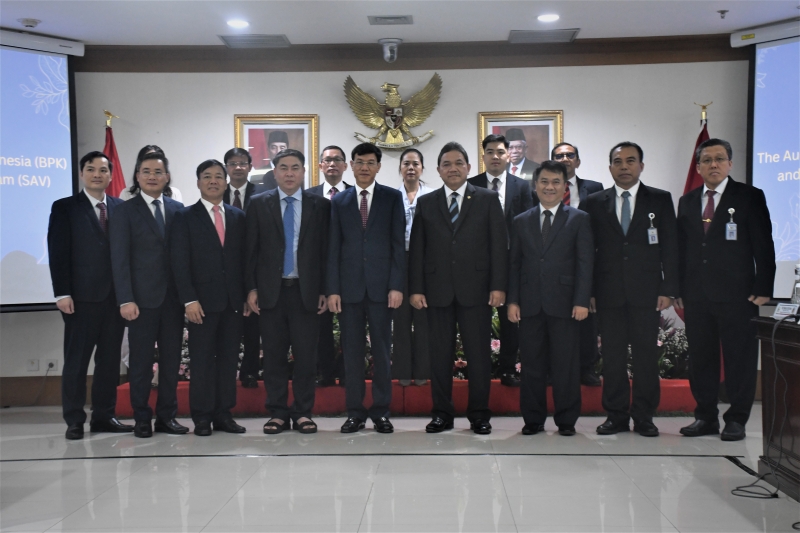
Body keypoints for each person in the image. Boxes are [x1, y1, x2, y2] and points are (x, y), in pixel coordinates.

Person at [676, 138, 775, 441]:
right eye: (707, 160)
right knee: (701, 359)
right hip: (697, 295)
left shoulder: (749, 196)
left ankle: (737, 419)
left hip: (739, 295)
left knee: (740, 358)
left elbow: (764, 244)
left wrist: (764, 285)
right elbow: (682, 250)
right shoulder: (688, 201)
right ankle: (705, 417)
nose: (713, 164)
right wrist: (677, 287)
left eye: (719, 159)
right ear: (698, 167)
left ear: (730, 164)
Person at [409, 142, 508, 435]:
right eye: (446, 164)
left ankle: (479, 415)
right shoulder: (427, 202)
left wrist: (498, 285)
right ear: (438, 170)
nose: (453, 169)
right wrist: (416, 288)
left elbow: (498, 245)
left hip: (476, 290)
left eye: (458, 163)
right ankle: (442, 414)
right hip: (436, 290)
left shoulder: (487, 199)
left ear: (468, 167)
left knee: (478, 356)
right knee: (439, 357)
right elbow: (417, 249)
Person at [583, 142, 679, 437]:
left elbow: (670, 247)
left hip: (647, 293)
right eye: (618, 161)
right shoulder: (594, 202)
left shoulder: (660, 199)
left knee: (645, 358)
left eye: (630, 161)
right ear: (610, 167)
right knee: (612, 358)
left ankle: (644, 416)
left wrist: (668, 288)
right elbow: (586, 252)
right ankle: (615, 416)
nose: (624, 166)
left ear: (641, 166)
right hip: (607, 293)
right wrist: (589, 292)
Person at [47, 151, 131, 440]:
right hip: (80, 300)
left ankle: (104, 416)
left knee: (108, 363)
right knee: (77, 362)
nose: (97, 174)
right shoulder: (65, 207)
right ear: (82, 173)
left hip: (115, 300)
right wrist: (62, 292)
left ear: (110, 175)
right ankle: (74, 420)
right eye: (91, 169)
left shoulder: (121, 207)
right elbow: (58, 252)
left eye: (103, 170)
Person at [246, 149, 330, 434]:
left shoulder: (320, 205)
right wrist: (252, 288)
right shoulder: (259, 204)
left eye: (295, 167)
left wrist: (325, 289)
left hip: (307, 293)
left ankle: (303, 412)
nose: (290, 173)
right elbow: (250, 250)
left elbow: (326, 252)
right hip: (271, 292)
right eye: (284, 168)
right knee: (273, 356)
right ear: (275, 172)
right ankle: (278, 413)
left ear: (304, 172)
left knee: (306, 357)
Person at [507, 160, 593, 436]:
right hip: (530, 304)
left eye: (556, 182)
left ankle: (566, 420)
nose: (549, 187)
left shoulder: (579, 219)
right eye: (544, 181)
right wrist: (513, 300)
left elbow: (585, 263)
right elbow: (514, 264)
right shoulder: (521, 221)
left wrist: (582, 300)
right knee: (531, 365)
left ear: (565, 187)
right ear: (535, 185)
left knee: (565, 365)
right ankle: (533, 420)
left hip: (566, 305)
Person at [327, 143, 405, 434]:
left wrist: (396, 285)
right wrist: (333, 289)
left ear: (378, 167)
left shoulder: (392, 198)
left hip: (382, 289)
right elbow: (333, 247)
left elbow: (398, 244)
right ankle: (355, 413)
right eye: (359, 162)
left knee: (382, 352)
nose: (364, 167)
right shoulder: (339, 201)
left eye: (370, 162)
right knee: (352, 354)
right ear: (351, 165)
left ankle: (381, 412)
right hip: (349, 290)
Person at [110, 152, 187, 438]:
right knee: (141, 363)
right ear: (137, 176)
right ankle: (142, 417)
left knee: (171, 362)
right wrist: (125, 298)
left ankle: (167, 417)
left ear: (167, 177)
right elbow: (119, 259)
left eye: (158, 172)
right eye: (146, 171)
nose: (152, 176)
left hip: (173, 301)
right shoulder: (125, 211)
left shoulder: (179, 209)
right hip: (140, 302)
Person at [170, 159, 248, 436]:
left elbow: (244, 260)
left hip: (233, 303)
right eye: (207, 176)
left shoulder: (238, 216)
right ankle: (202, 417)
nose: (213, 181)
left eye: (218, 176)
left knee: (228, 361)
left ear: (226, 183)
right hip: (200, 304)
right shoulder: (184, 217)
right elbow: (179, 262)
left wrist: (246, 295)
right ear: (198, 182)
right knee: (202, 361)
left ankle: (224, 414)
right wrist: (189, 300)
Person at [468, 134, 533, 387]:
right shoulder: (471, 185)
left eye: (500, 152)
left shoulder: (522, 186)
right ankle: (479, 370)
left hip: (511, 264)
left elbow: (527, 226)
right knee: (478, 322)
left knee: (510, 321)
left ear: (509, 156)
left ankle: (507, 370)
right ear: (483, 156)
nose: (495, 156)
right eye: (490, 152)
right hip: (478, 266)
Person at [551, 142, 605, 387]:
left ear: (578, 161)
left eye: (569, 155)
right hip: (553, 264)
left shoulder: (594, 189)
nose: (564, 159)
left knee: (586, 320)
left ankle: (586, 368)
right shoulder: (541, 189)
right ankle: (553, 369)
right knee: (553, 320)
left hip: (585, 261)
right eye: (559, 156)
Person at [307, 145, 352, 388]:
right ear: (320, 165)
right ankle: (324, 373)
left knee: (350, 326)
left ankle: (347, 372)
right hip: (317, 272)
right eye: (327, 160)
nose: (332, 164)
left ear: (345, 166)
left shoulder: (356, 194)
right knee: (320, 326)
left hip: (349, 271)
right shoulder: (308, 196)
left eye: (337, 160)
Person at [222, 147, 263, 389]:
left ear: (250, 167)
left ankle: (249, 372)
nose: (238, 167)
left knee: (252, 327)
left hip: (254, 269)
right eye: (233, 163)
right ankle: (224, 374)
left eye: (242, 163)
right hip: (224, 272)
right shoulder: (216, 193)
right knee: (228, 327)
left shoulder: (263, 195)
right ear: (226, 167)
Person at [393, 148, 433, 387]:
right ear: (400, 168)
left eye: (415, 164)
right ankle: (402, 372)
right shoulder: (391, 197)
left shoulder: (432, 196)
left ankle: (422, 372)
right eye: (406, 164)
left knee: (423, 319)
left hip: (425, 263)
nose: (410, 168)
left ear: (422, 168)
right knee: (400, 320)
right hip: (399, 262)